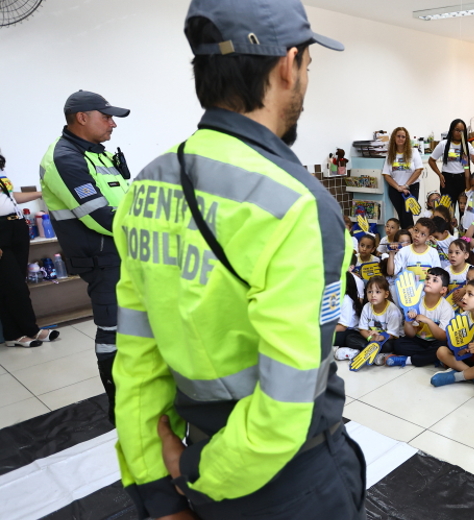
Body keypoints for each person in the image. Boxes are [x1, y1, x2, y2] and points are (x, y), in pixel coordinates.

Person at [112, 2, 365, 519]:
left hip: (189, 450)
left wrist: (161, 492)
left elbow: (137, 364)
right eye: (309, 69)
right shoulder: (299, 204)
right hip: (285, 482)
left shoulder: (144, 187)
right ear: (288, 66)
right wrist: (200, 477)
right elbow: (285, 406)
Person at [40, 90, 131, 420]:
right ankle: (119, 405)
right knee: (113, 331)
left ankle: (144, 393)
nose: (112, 124)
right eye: (106, 117)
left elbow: (125, 198)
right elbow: (100, 216)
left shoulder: (98, 154)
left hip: (125, 252)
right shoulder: (65, 158)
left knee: (136, 326)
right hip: (103, 260)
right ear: (82, 117)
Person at [0, 151, 58, 348]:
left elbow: (10, 197)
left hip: (15, 226)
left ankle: (12, 335)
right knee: (15, 286)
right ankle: (32, 329)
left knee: (10, 286)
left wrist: (41, 193)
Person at [431, 280, 474, 387]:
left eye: (470, 294)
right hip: (466, 360)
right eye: (465, 293)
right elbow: (458, 350)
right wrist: (461, 349)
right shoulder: (463, 317)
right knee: (441, 351)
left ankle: (457, 376)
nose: (464, 297)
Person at [388, 267, 454, 367]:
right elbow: (411, 334)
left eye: (434, 280)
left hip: (436, 342)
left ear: (443, 290)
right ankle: (431, 358)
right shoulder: (416, 302)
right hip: (420, 341)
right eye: (427, 278)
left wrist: (428, 321)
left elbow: (442, 336)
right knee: (398, 345)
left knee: (444, 346)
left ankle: (409, 360)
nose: (429, 281)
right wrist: (408, 322)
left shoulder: (446, 308)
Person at [337, 275, 403, 361]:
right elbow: (363, 330)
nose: (373, 295)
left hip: (385, 339)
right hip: (371, 338)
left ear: (386, 294)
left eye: (378, 292)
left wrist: (380, 338)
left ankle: (367, 351)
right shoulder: (367, 307)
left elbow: (391, 334)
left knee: (391, 345)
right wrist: (370, 338)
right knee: (350, 338)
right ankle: (371, 352)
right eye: (370, 292)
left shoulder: (392, 310)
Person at [428, 119, 474, 210]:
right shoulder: (443, 144)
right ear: (452, 130)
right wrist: (439, 175)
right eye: (457, 130)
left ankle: (462, 224)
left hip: (463, 179)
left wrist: (472, 158)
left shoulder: (467, 145)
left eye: (462, 131)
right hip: (447, 179)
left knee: (463, 209)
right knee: (448, 209)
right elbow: (431, 160)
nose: (459, 133)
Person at [382, 127, 424, 229]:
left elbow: (418, 170)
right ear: (394, 138)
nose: (401, 139)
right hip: (395, 190)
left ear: (407, 139)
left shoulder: (413, 152)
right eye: (398, 136)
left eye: (403, 137)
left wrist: (406, 185)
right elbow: (386, 175)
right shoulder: (390, 155)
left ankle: (412, 238)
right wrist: (398, 187)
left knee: (407, 214)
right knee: (401, 215)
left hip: (411, 188)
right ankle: (405, 239)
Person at [334, 272, 363, 349]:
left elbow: (342, 327)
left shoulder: (346, 300)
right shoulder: (333, 298)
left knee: (333, 338)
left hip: (350, 331)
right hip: (340, 328)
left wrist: (325, 331)